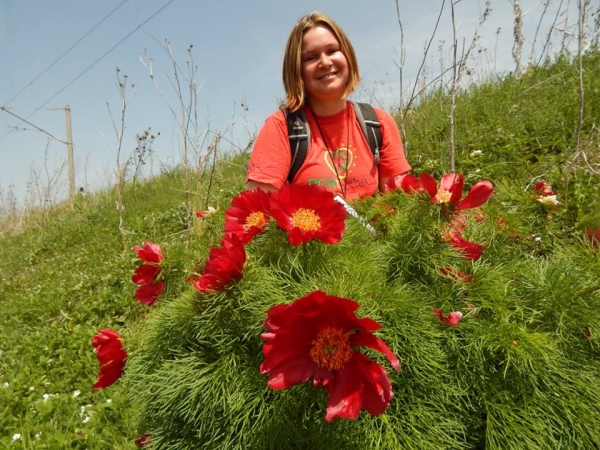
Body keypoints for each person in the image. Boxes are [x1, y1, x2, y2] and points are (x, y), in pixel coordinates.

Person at [246, 11, 411, 201]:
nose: (325, 62)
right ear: (297, 70)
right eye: (311, 57)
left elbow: (400, 204)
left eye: (332, 51)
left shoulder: (378, 123)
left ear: (347, 55)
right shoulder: (281, 127)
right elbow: (257, 212)